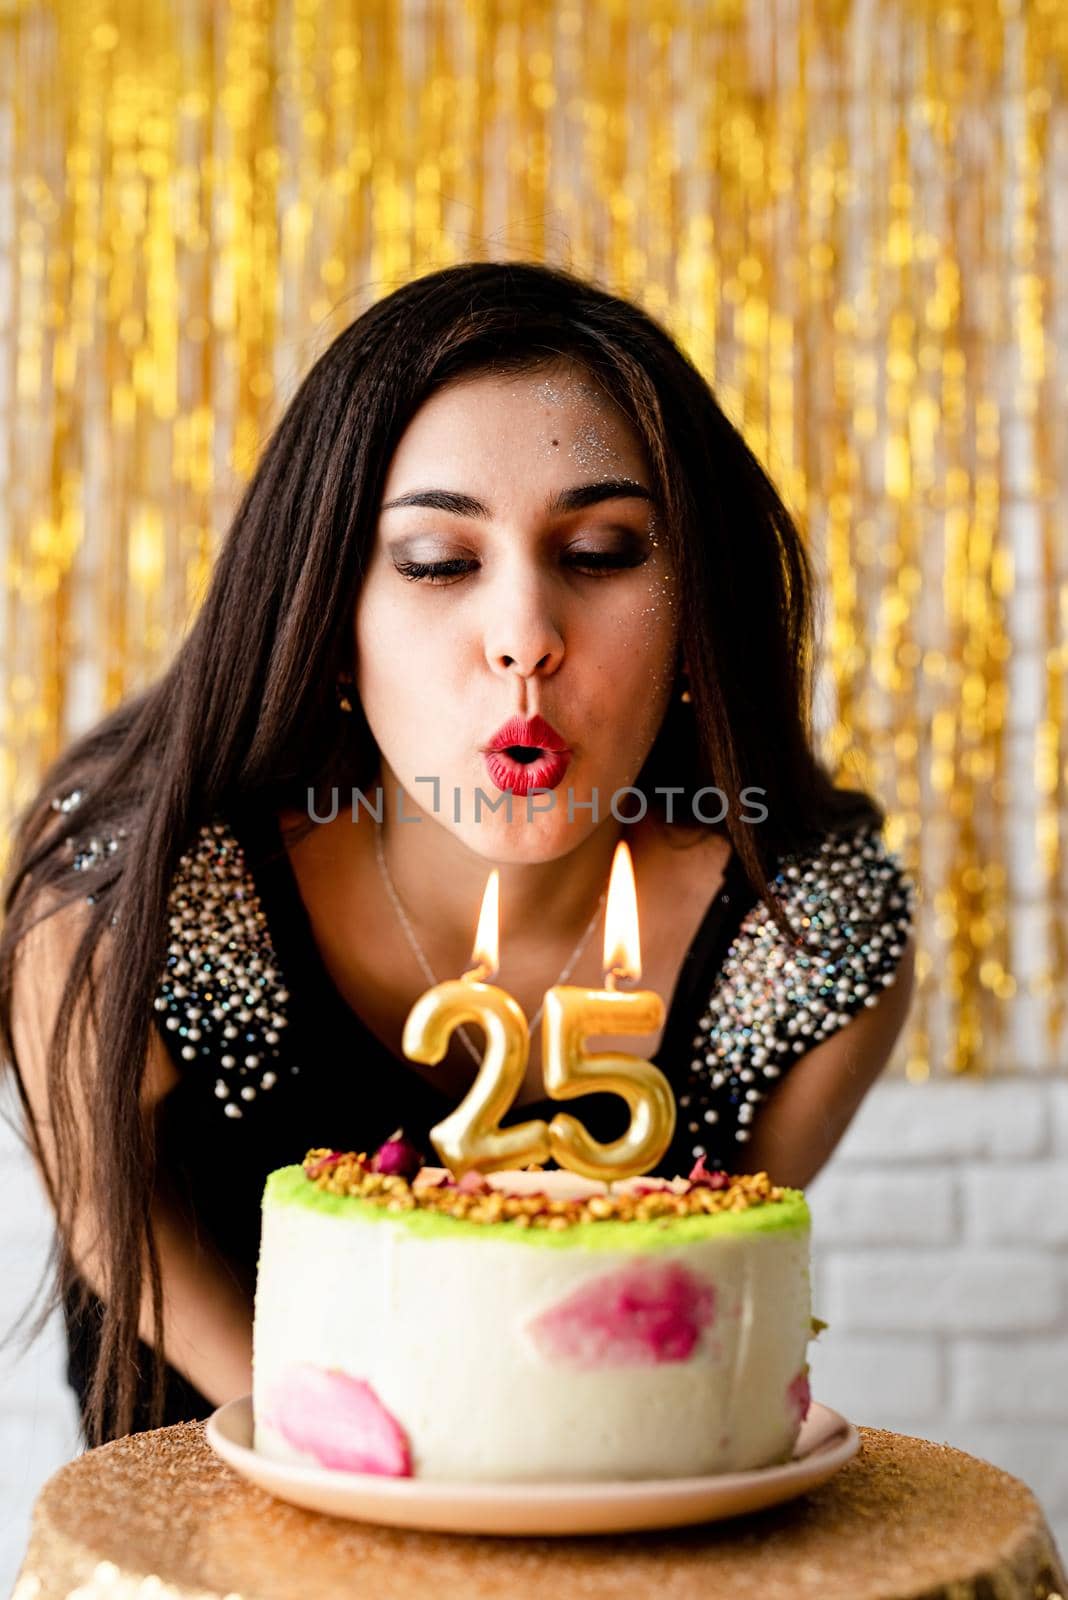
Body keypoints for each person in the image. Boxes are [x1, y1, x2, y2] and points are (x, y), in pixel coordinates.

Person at [0, 260, 916, 1450]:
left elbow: (713, 1325)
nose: (525, 636)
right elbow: (110, 1230)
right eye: (438, 560)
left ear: (694, 607)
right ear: (331, 617)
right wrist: (370, 1475)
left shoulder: (805, 940)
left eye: (600, 552)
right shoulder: (127, 893)